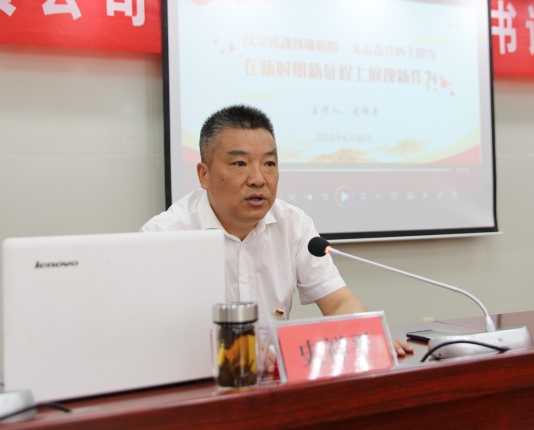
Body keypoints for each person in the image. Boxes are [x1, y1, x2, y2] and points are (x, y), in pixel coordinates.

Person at [141, 104, 412, 357]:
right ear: (204, 175)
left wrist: (364, 333)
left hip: (276, 381)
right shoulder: (164, 237)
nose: (258, 179)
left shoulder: (293, 224)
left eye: (269, 164)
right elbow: (149, 335)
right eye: (240, 164)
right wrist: (234, 347)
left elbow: (340, 303)